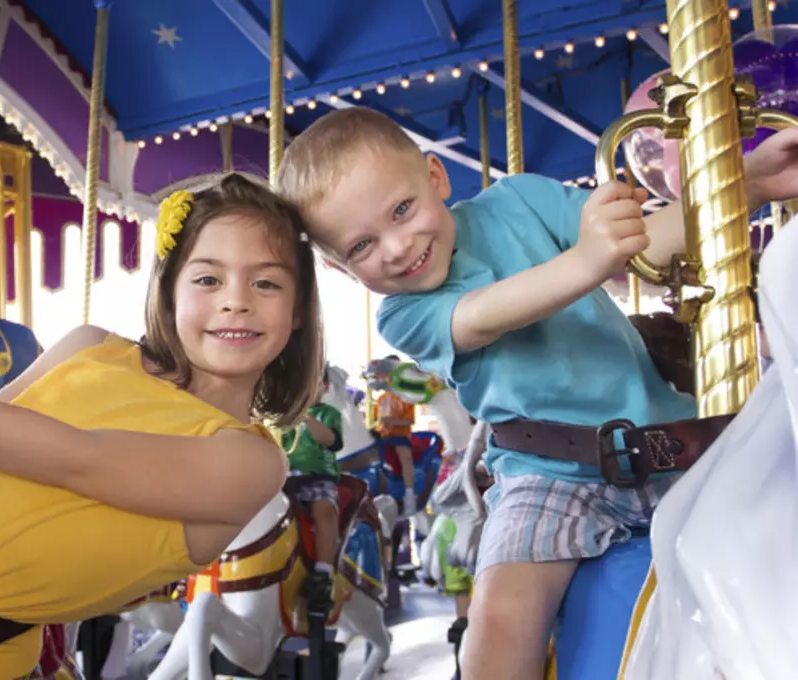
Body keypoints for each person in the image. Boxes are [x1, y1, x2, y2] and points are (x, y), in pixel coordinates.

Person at [275, 106, 798, 679]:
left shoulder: (519, 201)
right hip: (546, 475)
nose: (396, 248)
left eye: (402, 210)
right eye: (361, 247)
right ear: (340, 267)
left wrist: (746, 183)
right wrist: (588, 259)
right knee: (499, 620)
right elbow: (486, 315)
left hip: (671, 443)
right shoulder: (404, 313)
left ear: (435, 177)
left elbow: (642, 242)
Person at [0, 173, 324, 679]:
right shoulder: (89, 348)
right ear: (170, 290)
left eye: (267, 282)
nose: (236, 300)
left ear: (298, 310)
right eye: (208, 279)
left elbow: (75, 460)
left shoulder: (249, 462)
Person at [281, 365, 344, 611]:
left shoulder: (328, 414)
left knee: (324, 510)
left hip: (317, 478)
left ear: (325, 387)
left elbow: (329, 440)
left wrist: (306, 416)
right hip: (284, 478)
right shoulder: (283, 417)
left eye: (313, 384)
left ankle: (322, 571)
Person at [373, 356, 418, 515]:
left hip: (399, 435)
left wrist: (393, 421)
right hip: (383, 437)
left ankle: (409, 493)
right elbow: (377, 421)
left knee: (404, 455)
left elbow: (409, 421)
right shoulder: (380, 399)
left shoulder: (406, 397)